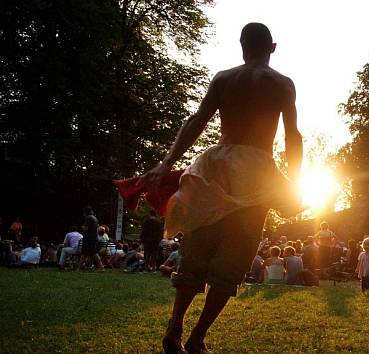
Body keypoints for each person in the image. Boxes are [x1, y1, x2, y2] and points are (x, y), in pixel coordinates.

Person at [137, 22, 303, 353]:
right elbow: (292, 136)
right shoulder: (282, 84)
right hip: (255, 171)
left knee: (199, 247)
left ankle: (175, 329)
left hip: (217, 165)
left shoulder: (224, 78)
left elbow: (196, 121)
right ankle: (197, 337)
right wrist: (295, 181)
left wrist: (167, 162)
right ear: (272, 48)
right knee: (234, 259)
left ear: (242, 46)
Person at [77, 206, 105, 271]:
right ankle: (102, 268)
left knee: (84, 253)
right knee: (94, 253)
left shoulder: (88, 218)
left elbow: (86, 228)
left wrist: (82, 227)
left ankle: (78, 268)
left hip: (88, 238)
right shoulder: (95, 218)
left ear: (86, 212)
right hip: (94, 238)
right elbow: (97, 228)